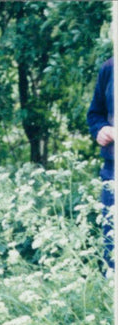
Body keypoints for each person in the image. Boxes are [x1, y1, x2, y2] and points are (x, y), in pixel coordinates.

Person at [87, 55, 114, 273]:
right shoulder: (110, 67)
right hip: (112, 171)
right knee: (112, 244)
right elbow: (95, 113)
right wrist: (101, 129)